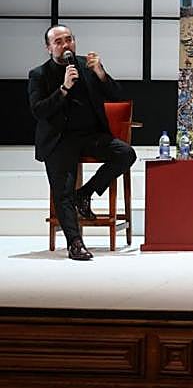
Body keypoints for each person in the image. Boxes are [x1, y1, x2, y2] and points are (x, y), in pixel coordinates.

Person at [28, 25, 137, 261]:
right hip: (59, 140)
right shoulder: (39, 74)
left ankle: (85, 193)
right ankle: (75, 244)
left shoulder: (86, 66)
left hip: (91, 136)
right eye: (58, 42)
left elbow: (117, 95)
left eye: (69, 40)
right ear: (49, 48)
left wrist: (100, 73)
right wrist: (64, 88)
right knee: (63, 190)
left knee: (126, 153)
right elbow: (39, 111)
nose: (65, 45)